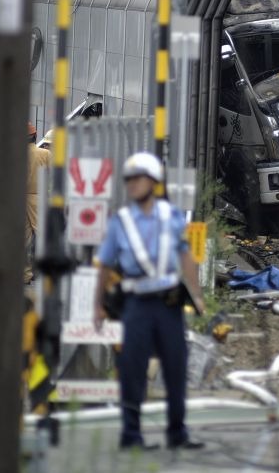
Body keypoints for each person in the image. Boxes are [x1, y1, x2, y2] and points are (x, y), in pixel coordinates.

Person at [93, 152, 206, 451]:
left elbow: (186, 256)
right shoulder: (121, 221)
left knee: (175, 365)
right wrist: (97, 305)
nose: (131, 184)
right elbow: (104, 265)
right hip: (136, 304)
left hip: (169, 304)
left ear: (154, 183)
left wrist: (196, 295)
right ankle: (131, 436)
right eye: (128, 180)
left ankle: (177, 433)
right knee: (132, 368)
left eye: (137, 179)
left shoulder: (171, 216)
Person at [26, 123, 51, 281]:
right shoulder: (45, 154)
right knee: (43, 236)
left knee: (24, 239)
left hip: (20, 198)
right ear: (35, 136)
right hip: (39, 198)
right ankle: (44, 272)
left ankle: (25, 274)